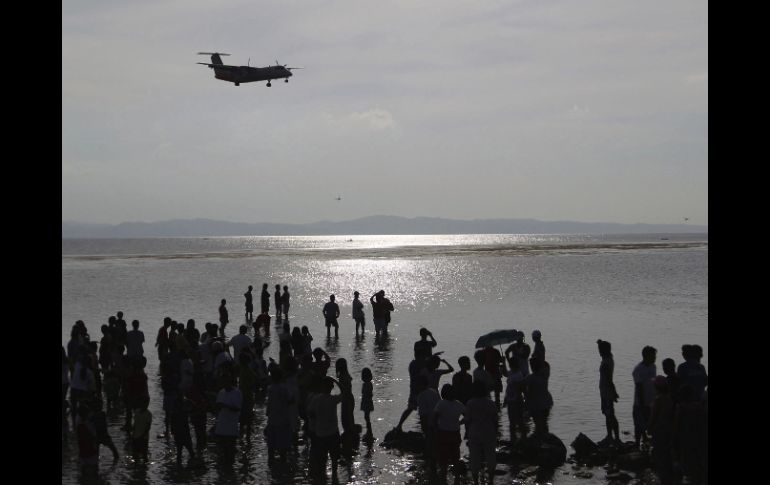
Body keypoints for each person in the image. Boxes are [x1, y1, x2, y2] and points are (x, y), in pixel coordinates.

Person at [307, 376, 343, 479]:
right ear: (331, 387)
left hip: (320, 434)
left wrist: (316, 420)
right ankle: (334, 478)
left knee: (321, 461)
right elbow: (345, 393)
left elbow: (309, 412)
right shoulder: (333, 399)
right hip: (333, 433)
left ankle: (321, 478)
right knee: (334, 459)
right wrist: (336, 381)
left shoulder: (316, 399)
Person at [464, 381, 498, 485]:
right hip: (488, 431)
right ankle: (491, 480)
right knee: (490, 456)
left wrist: (467, 432)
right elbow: (495, 420)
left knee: (474, 457)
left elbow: (467, 420)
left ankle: (475, 482)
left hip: (474, 431)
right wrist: (496, 432)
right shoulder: (490, 403)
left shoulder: (470, 403)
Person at [433, 384, 465, 483]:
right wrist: (460, 422)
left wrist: (435, 430)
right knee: (455, 456)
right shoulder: (459, 404)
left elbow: (435, 417)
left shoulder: (441, 404)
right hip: (455, 433)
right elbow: (468, 417)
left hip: (443, 433)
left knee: (443, 457)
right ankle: (457, 478)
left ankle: (443, 477)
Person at [647, 376, 675, 485]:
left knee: (659, 455)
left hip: (659, 430)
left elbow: (653, 416)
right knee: (667, 454)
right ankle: (669, 477)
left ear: (657, 387)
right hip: (668, 429)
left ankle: (664, 479)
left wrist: (649, 428)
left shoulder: (658, 400)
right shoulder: (669, 398)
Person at [215, 372, 242, 465]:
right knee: (222, 453)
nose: (223, 384)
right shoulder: (221, 392)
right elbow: (218, 408)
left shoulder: (237, 393)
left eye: (225, 381)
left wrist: (225, 405)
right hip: (221, 427)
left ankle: (230, 473)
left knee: (230, 453)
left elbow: (238, 408)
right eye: (222, 382)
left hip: (231, 428)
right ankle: (226, 476)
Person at [632, 345, 657, 448]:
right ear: (646, 356)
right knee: (638, 424)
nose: (655, 358)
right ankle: (637, 442)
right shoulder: (638, 369)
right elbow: (639, 387)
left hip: (651, 401)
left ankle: (647, 439)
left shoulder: (653, 366)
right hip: (640, 402)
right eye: (653, 356)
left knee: (651, 422)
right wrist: (642, 404)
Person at [597, 339, 620, 444]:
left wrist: (613, 392)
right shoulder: (608, 358)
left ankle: (615, 437)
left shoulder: (606, 362)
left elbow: (609, 380)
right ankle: (610, 436)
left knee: (610, 415)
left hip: (607, 392)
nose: (599, 351)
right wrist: (600, 342)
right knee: (608, 414)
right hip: (605, 392)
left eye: (600, 350)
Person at [502, 351, 527, 444]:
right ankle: (514, 440)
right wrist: (503, 361)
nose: (510, 365)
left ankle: (523, 439)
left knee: (519, 421)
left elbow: (521, 388)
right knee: (512, 422)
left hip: (517, 400)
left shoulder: (518, 375)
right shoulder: (512, 372)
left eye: (511, 364)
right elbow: (505, 373)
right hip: (510, 400)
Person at [525, 357, 553, 435]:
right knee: (544, 423)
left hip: (537, 404)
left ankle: (540, 439)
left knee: (538, 424)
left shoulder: (530, 378)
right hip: (546, 402)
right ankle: (545, 437)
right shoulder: (545, 374)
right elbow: (547, 364)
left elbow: (524, 388)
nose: (530, 367)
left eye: (531, 365)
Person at [360, 368, 374, 437]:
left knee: (366, 417)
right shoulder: (369, 384)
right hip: (367, 402)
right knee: (367, 417)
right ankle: (369, 431)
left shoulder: (367, 384)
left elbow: (366, 393)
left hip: (366, 403)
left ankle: (369, 431)